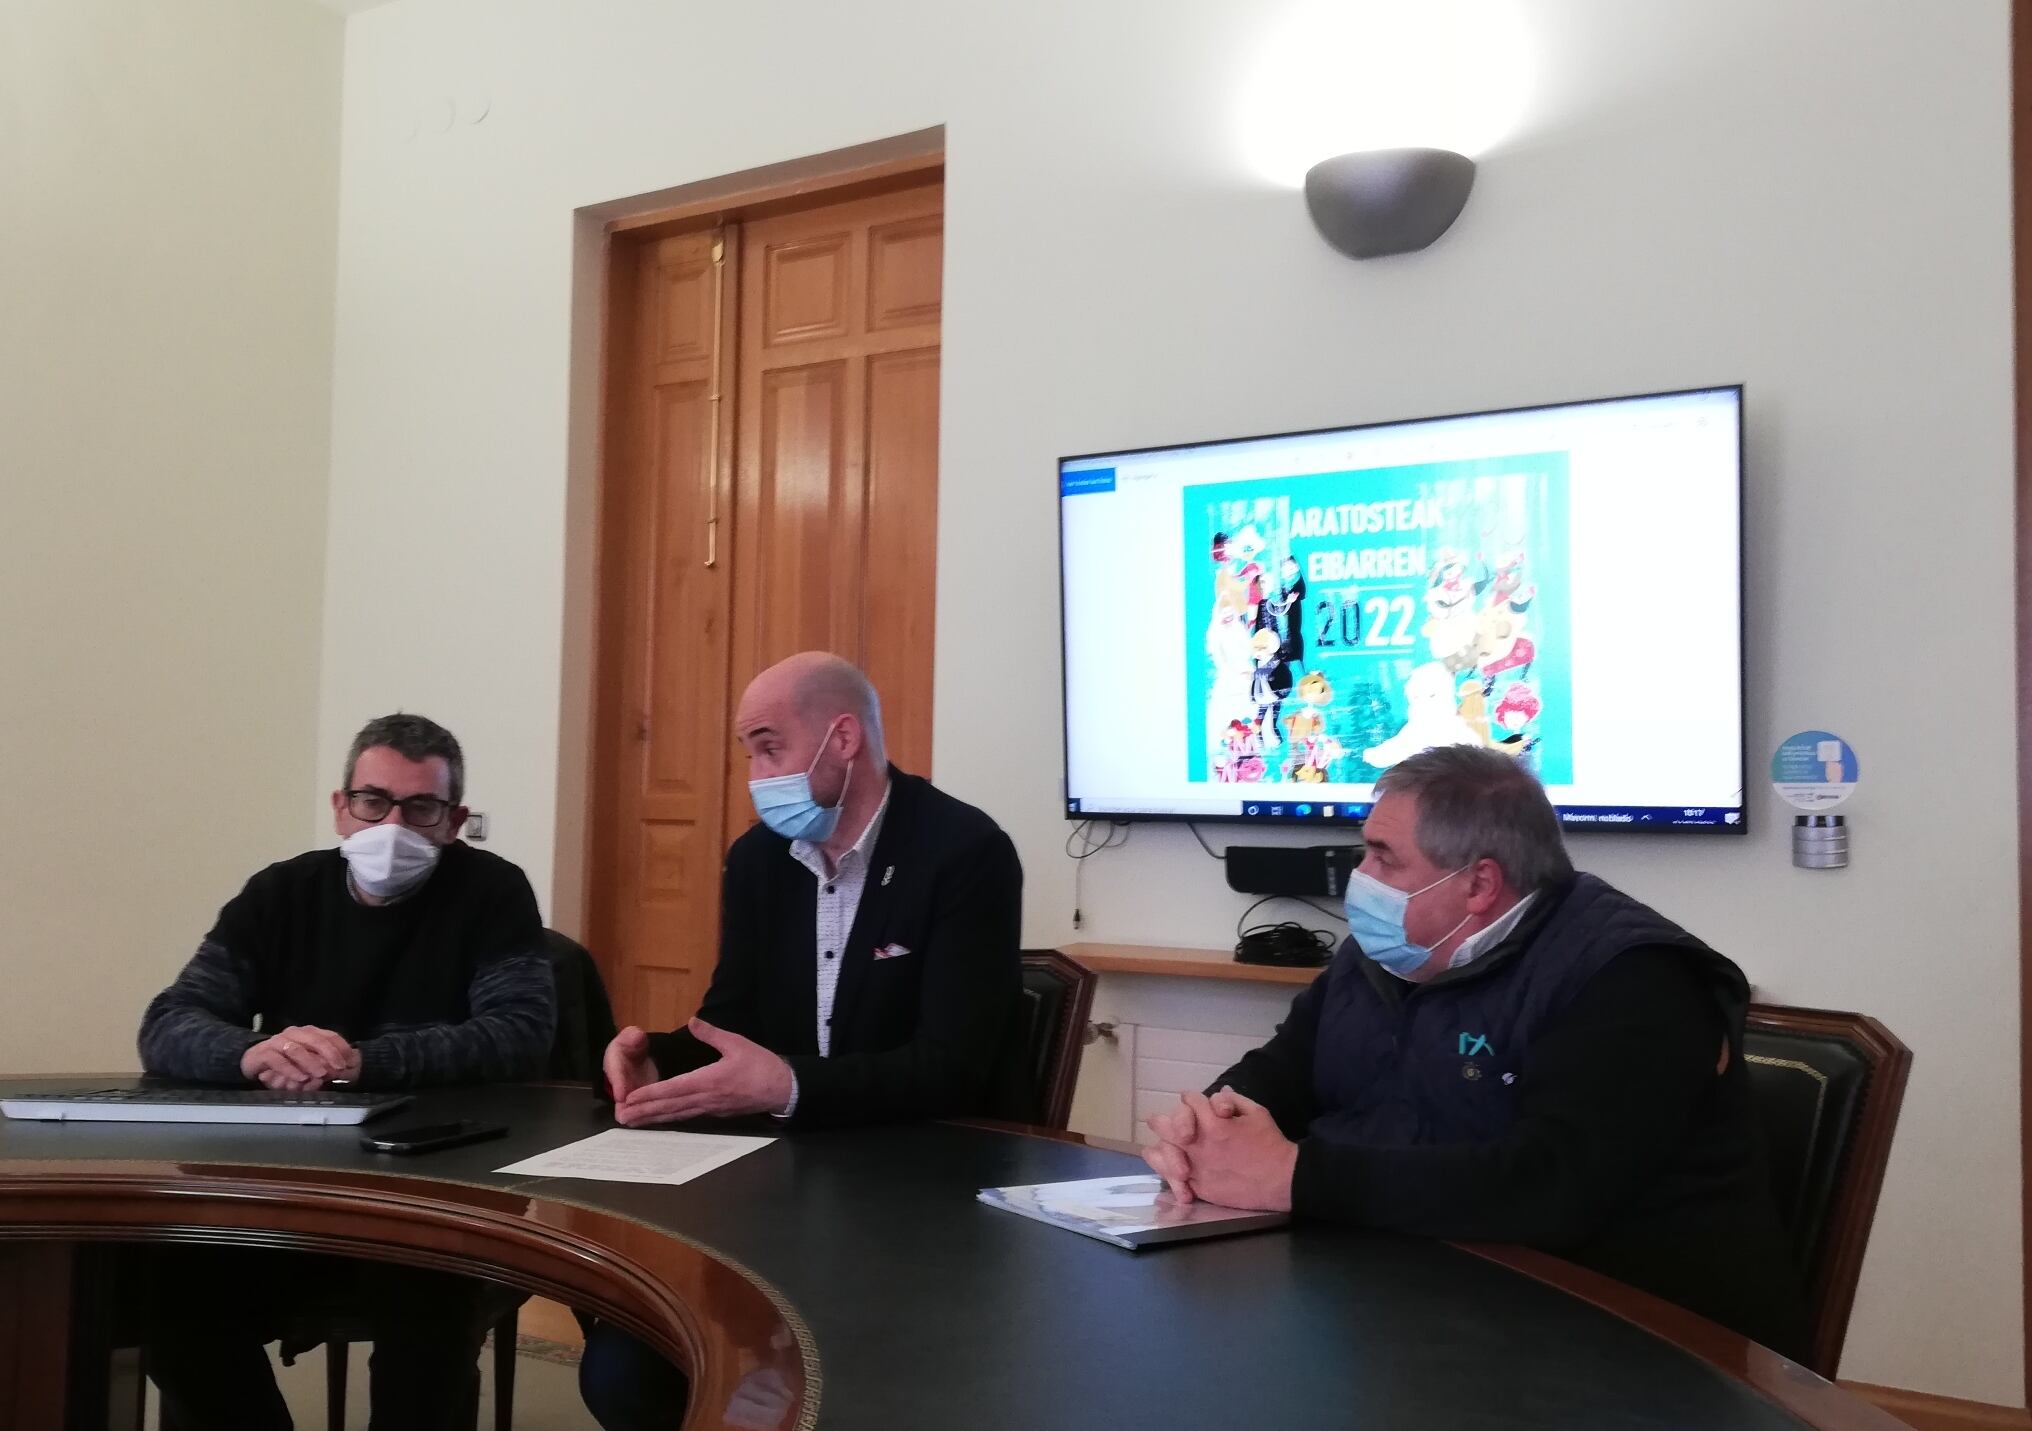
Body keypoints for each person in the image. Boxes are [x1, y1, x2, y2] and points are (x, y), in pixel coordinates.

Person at [1141, 744, 1808, 1357]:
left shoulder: (1630, 977)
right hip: (1407, 1304)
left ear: (1479, 885)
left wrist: (1295, 1176)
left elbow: (1553, 1184)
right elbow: (1284, 1069)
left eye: (1383, 855)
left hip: (1629, 1343)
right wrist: (1212, 1126)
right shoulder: (1381, 952)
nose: (1359, 875)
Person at [580, 651, 1024, 1431]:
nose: (755, 772)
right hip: (782, 1190)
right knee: (622, 1365)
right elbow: (733, 1021)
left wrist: (789, 1087)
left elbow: (952, 1068)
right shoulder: (758, 860)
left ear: (842, 737)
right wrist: (656, 1053)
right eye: (749, 751)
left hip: (915, 1197)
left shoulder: (964, 851)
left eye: (767, 746)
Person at [136, 712, 557, 1430]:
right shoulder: (279, 893)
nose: (392, 824)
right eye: (372, 800)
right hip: (283, 1192)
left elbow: (519, 1033)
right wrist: (249, 1050)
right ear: (341, 806)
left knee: (427, 1312)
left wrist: (361, 1061)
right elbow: (169, 1023)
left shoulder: (493, 893)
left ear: (453, 820)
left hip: (437, 1197)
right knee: (164, 1294)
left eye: (420, 808)